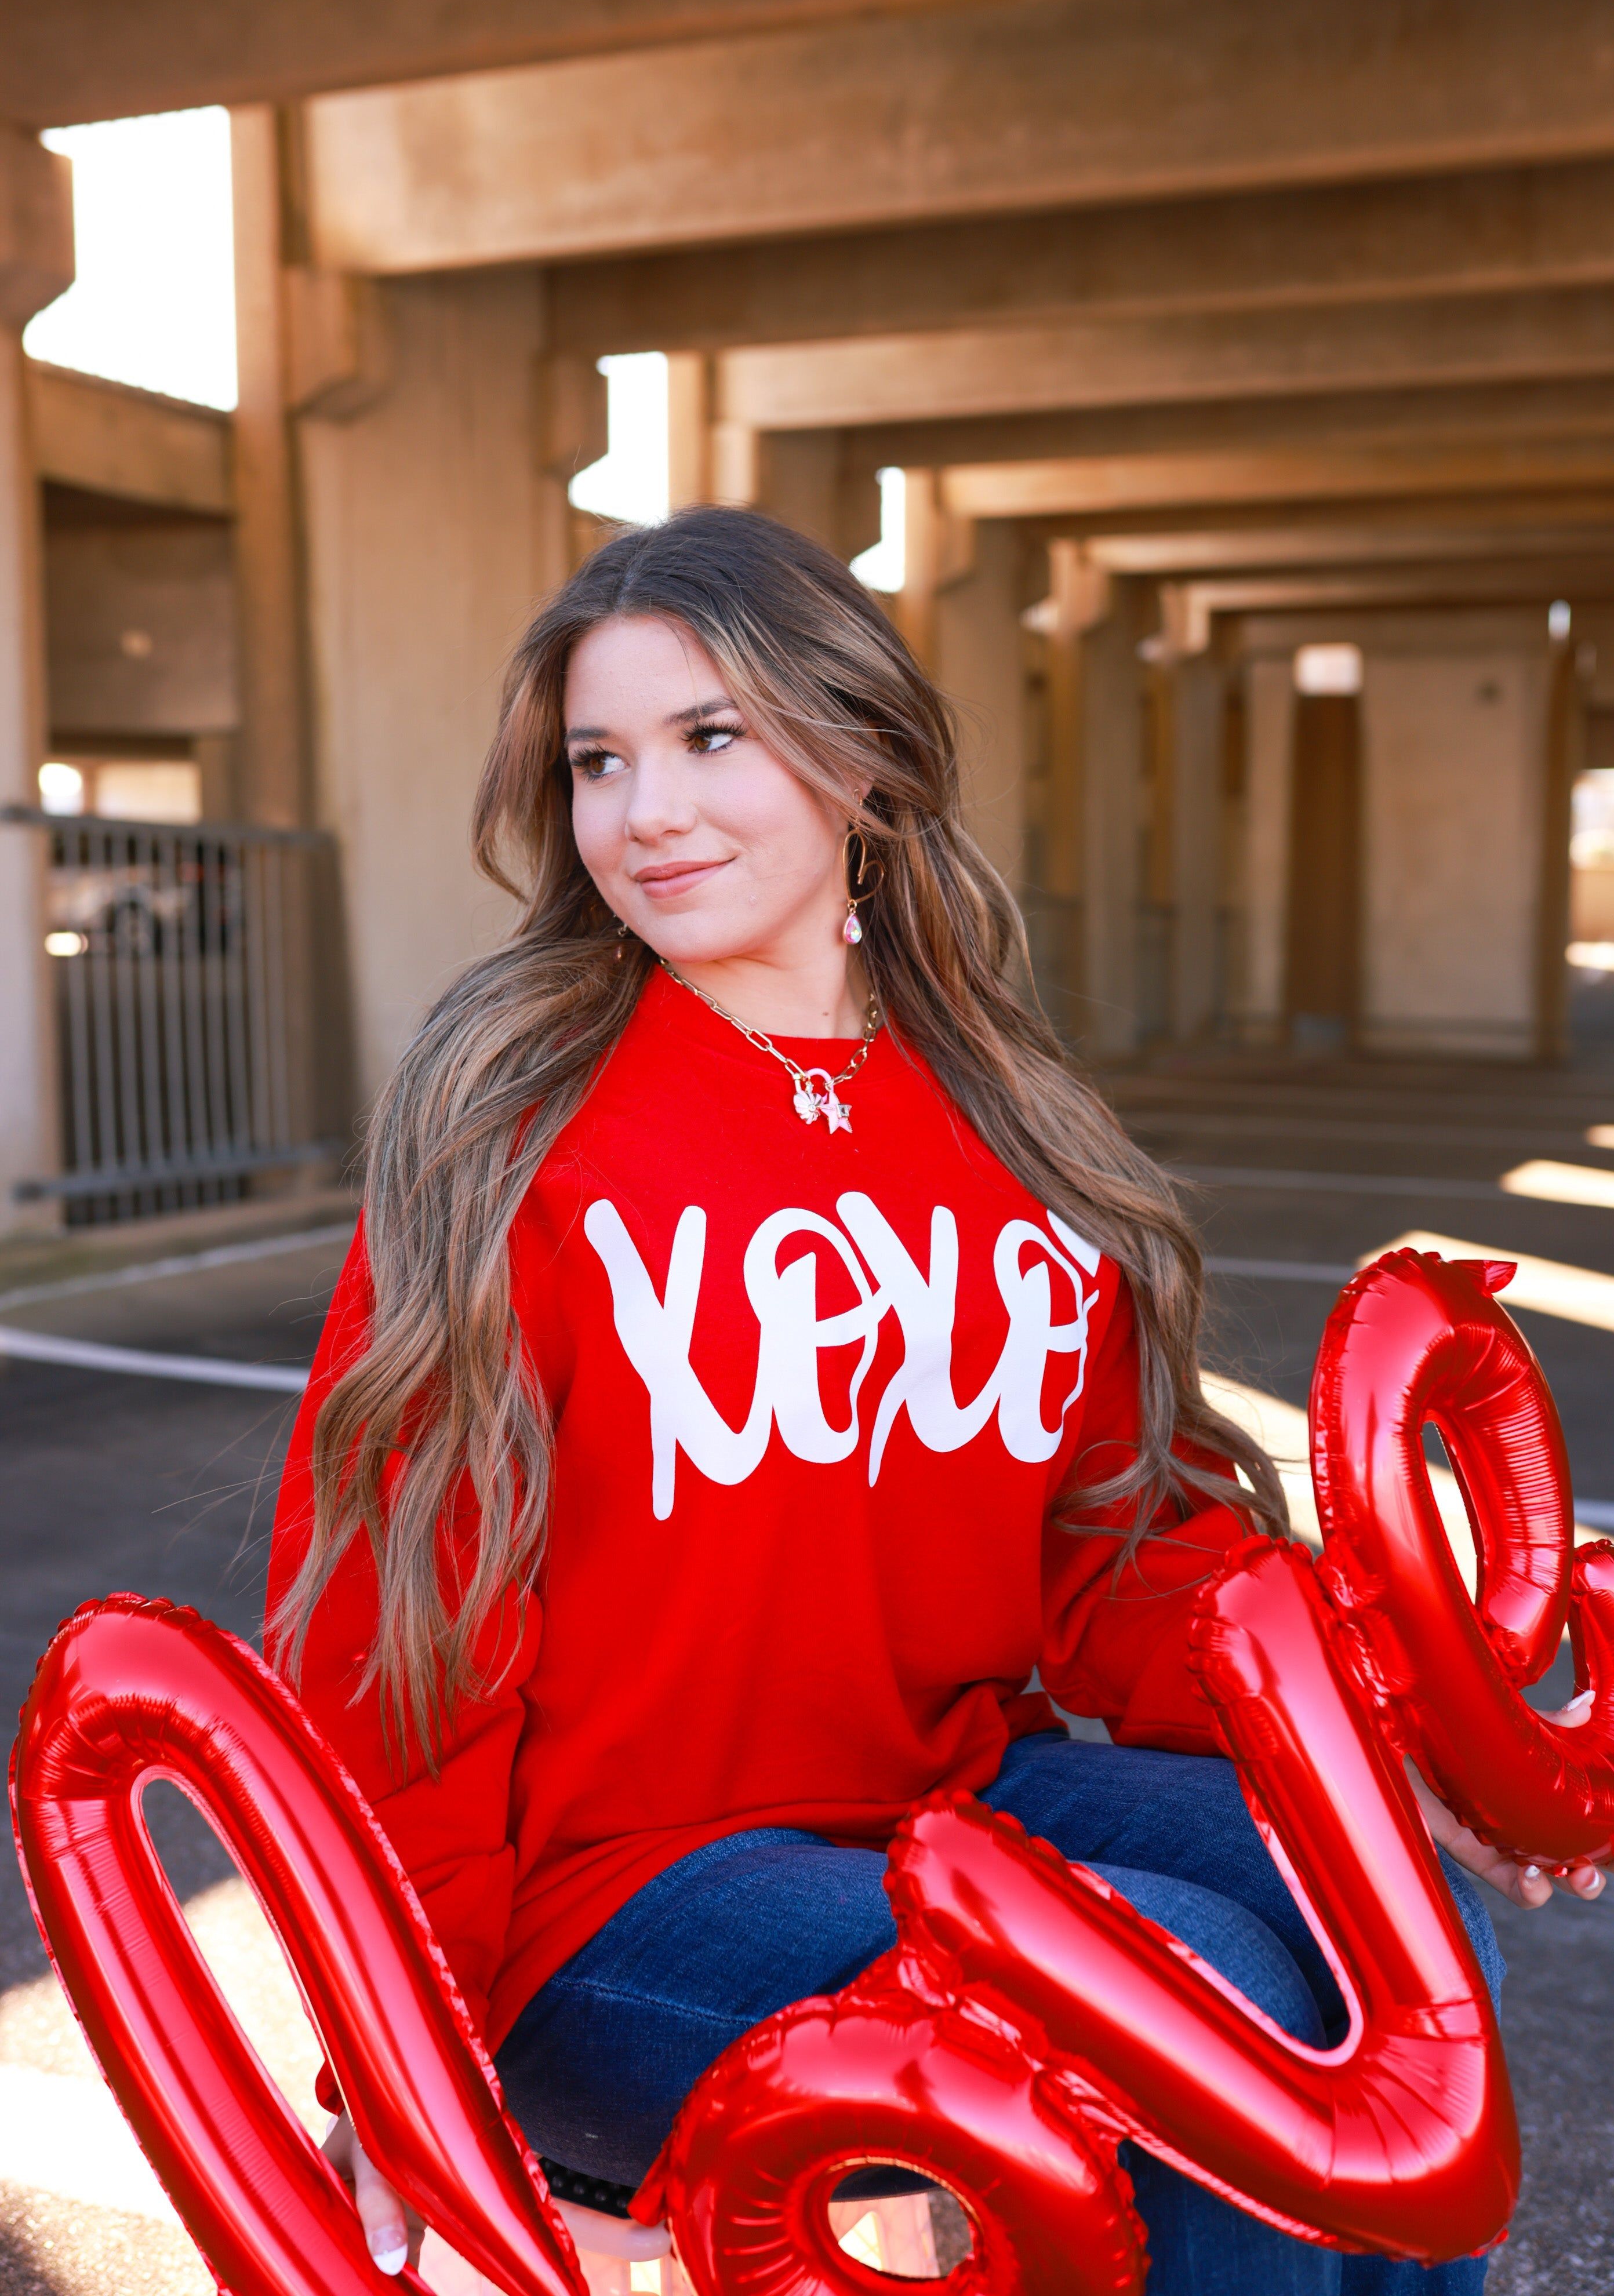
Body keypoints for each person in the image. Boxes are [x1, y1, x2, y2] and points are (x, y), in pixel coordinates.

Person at [268, 505, 1599, 2296]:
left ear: (864, 761)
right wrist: (396, 2048)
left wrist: (1358, 1760)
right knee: (1188, 2015)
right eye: (600, 761)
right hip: (607, 1909)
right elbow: (387, 1630)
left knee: (1387, 1924)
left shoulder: (1004, 1120)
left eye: (711, 736)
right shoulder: (508, 1133)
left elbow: (1117, 1550)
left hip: (939, 1801)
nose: (644, 811)